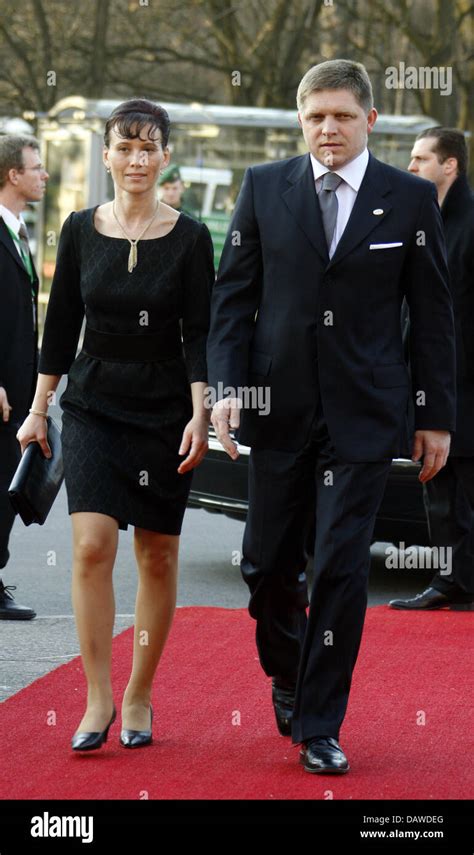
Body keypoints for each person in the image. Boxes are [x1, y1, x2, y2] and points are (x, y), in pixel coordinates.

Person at [207, 60, 456, 775]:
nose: (328, 128)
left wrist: (434, 414)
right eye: (316, 116)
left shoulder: (408, 199)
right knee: (264, 567)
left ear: (370, 120)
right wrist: (225, 386)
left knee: (341, 571)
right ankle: (289, 670)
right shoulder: (263, 188)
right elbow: (232, 301)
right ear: (300, 119)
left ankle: (320, 722)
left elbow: (433, 317)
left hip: (365, 416)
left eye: (342, 116)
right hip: (277, 410)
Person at [17, 99, 214, 751]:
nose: (136, 158)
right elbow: (60, 327)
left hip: (164, 406)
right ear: (106, 156)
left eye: (148, 147)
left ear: (164, 157)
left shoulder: (190, 238)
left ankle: (139, 694)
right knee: (91, 545)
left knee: (156, 554)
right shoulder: (78, 228)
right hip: (94, 400)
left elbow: (199, 333)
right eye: (124, 147)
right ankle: (98, 694)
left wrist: (199, 411)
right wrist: (40, 409)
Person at [389, 128, 474, 611]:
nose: (412, 166)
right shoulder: (420, 221)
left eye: (422, 158)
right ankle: (450, 581)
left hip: (467, 383)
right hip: (431, 382)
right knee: (437, 484)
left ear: (451, 166)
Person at [0, 135, 49, 620]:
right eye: (36, 168)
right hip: (2, 390)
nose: (44, 175)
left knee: (8, 485)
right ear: (13, 175)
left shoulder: (17, 230)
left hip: (18, 387)